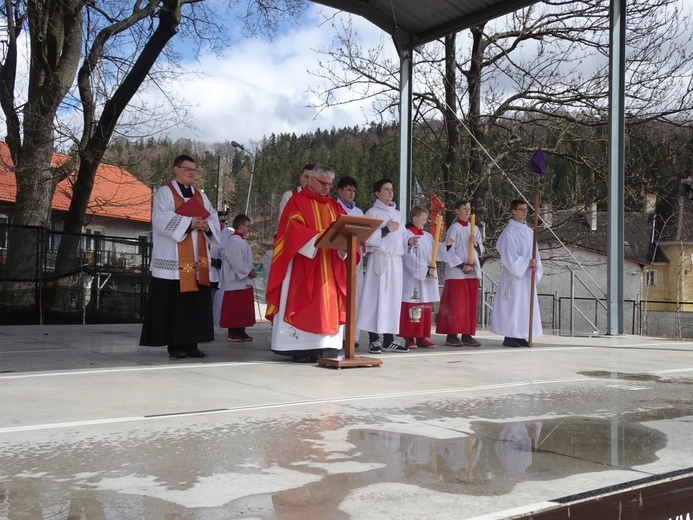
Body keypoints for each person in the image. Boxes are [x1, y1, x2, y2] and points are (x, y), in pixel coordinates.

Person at [139, 154, 220, 359]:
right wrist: (190, 222)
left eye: (194, 169)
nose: (191, 172)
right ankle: (175, 345)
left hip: (196, 260)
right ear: (176, 169)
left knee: (195, 304)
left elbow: (213, 218)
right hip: (173, 263)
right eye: (187, 168)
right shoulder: (165, 193)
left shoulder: (201, 195)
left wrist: (205, 224)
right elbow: (160, 219)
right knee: (174, 304)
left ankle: (192, 343)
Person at [266, 165, 348, 362]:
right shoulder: (296, 202)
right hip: (304, 263)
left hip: (330, 266)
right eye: (323, 183)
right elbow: (291, 228)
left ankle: (327, 347)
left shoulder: (335, 206)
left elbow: (346, 228)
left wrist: (344, 244)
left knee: (328, 305)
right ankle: (302, 348)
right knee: (305, 303)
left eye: (330, 184)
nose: (327, 188)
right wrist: (318, 238)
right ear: (310, 180)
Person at [356, 178, 409, 353]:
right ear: (377, 193)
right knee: (376, 299)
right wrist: (386, 230)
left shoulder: (398, 214)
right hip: (379, 260)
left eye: (392, 189)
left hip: (395, 261)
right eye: (386, 189)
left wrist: (410, 241)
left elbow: (402, 237)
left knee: (392, 300)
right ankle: (373, 340)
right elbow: (365, 237)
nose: (390, 192)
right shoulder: (372, 213)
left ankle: (389, 339)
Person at [490, 199, 543, 347]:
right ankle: (509, 334)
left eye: (526, 209)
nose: (525, 212)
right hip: (514, 276)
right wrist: (527, 262)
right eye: (521, 209)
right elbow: (509, 257)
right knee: (513, 304)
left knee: (525, 305)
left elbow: (536, 254)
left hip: (526, 277)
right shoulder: (508, 232)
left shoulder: (530, 232)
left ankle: (520, 333)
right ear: (514, 211)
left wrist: (536, 266)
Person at [436, 200, 484, 347]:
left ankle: (467, 333)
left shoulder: (474, 229)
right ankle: (452, 334)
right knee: (456, 304)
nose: (468, 211)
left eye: (469, 208)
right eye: (464, 208)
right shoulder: (454, 229)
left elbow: (481, 250)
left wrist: (476, 244)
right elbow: (449, 249)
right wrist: (462, 265)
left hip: (471, 272)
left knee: (469, 304)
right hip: (457, 273)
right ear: (457, 211)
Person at [399, 206, 439, 348]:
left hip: (427, 277)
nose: (425, 222)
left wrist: (446, 246)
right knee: (413, 305)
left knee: (425, 305)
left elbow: (434, 252)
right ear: (415, 219)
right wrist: (424, 269)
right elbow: (407, 255)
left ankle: (422, 336)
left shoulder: (427, 236)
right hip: (412, 278)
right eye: (423, 219)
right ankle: (409, 337)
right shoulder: (406, 234)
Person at [336, 175, 365, 348]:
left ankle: (351, 337)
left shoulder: (359, 212)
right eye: (348, 190)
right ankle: (337, 336)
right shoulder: (334, 208)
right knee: (340, 297)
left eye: (354, 190)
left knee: (356, 298)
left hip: (356, 258)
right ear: (340, 191)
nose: (351, 193)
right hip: (340, 257)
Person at [220, 214, 257, 342]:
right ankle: (233, 331)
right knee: (235, 307)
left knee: (242, 308)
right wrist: (247, 272)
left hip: (243, 280)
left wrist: (252, 270)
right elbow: (236, 261)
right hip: (235, 280)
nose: (248, 229)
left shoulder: (241, 241)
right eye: (247, 226)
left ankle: (241, 330)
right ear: (241, 226)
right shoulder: (234, 240)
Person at [212, 211, 234, 331]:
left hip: (224, 272)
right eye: (218, 221)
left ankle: (217, 325)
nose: (221, 223)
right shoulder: (208, 232)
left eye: (223, 221)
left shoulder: (230, 234)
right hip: (209, 272)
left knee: (220, 302)